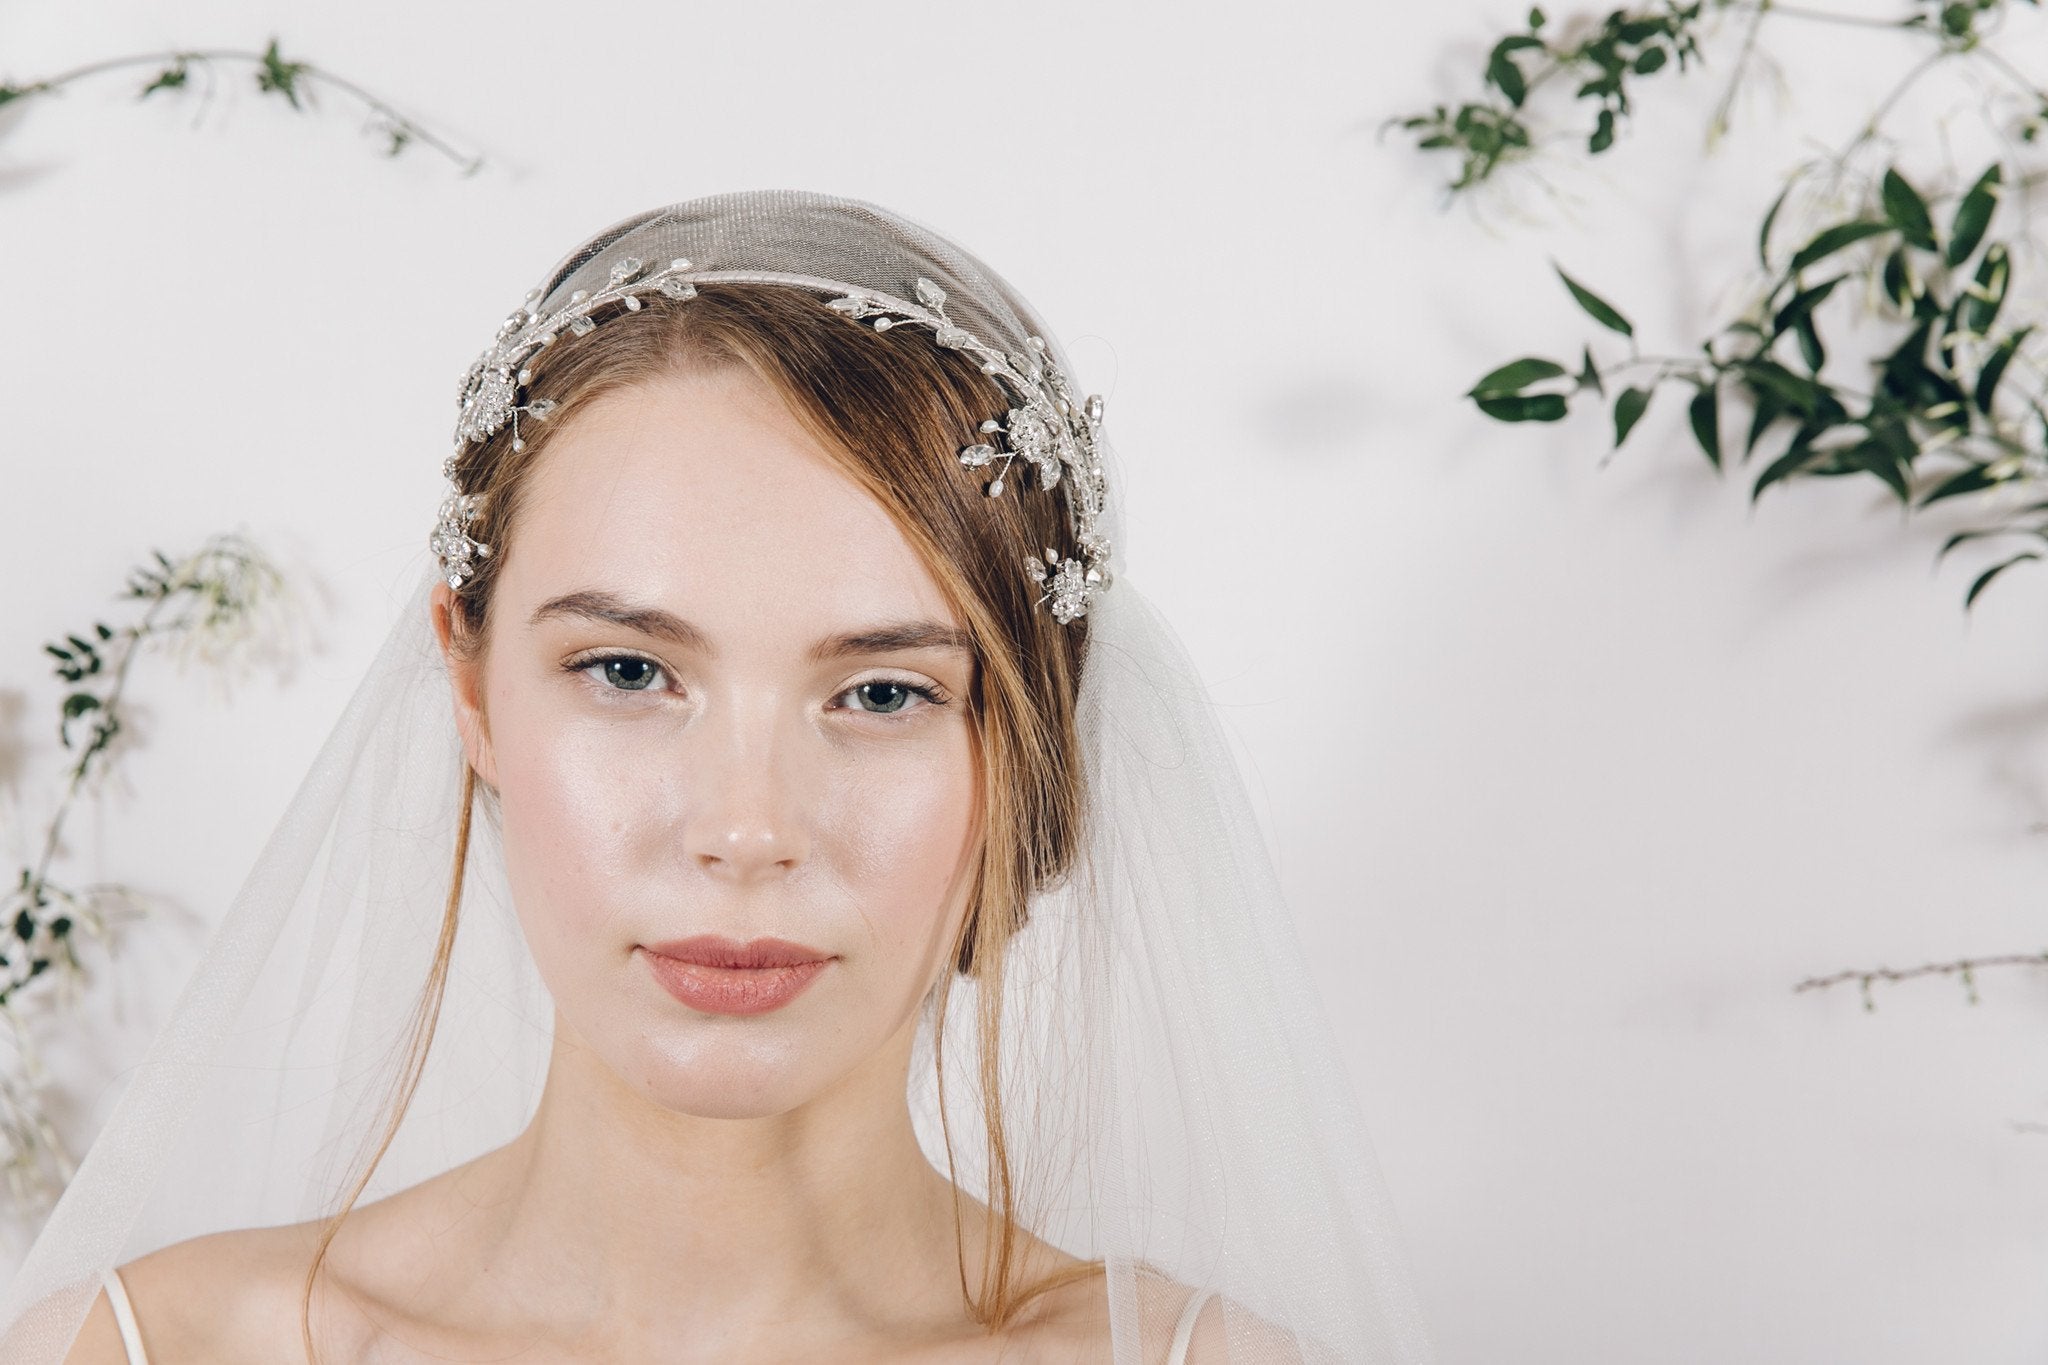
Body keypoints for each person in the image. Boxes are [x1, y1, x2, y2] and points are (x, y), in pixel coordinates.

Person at [6, 190, 1437, 1363]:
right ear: (469, 683)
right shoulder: (150, 1347)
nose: (747, 830)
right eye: (629, 673)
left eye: (882, 691)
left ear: (1023, 742)